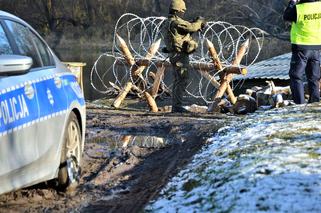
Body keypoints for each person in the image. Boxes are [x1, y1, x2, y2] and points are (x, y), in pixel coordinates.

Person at [163, 0, 206, 112]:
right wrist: (199, 21)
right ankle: (177, 107)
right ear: (177, 10)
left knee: (179, 80)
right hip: (180, 56)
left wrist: (194, 23)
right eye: (182, 11)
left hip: (174, 54)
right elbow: (191, 27)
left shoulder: (169, 22)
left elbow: (184, 31)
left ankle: (176, 106)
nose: (183, 13)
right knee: (182, 79)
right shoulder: (176, 22)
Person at [283, 0, 321, 104]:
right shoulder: (319, 6)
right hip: (317, 45)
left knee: (296, 76)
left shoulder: (298, 9)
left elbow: (286, 16)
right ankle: (315, 103)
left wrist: (293, 2)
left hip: (301, 46)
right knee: (314, 77)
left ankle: (299, 104)